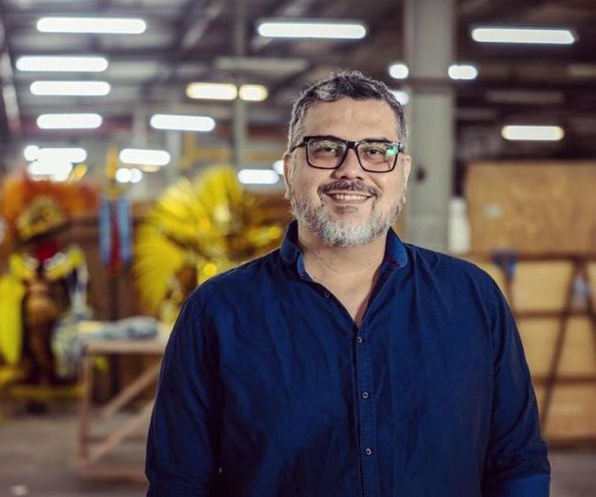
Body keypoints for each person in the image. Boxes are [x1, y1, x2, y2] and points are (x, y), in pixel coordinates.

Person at [145, 70, 550, 497]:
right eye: (325, 149)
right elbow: (179, 482)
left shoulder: (473, 298)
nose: (351, 170)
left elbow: (516, 460)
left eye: (376, 151)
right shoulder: (216, 312)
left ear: (403, 172)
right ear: (289, 169)